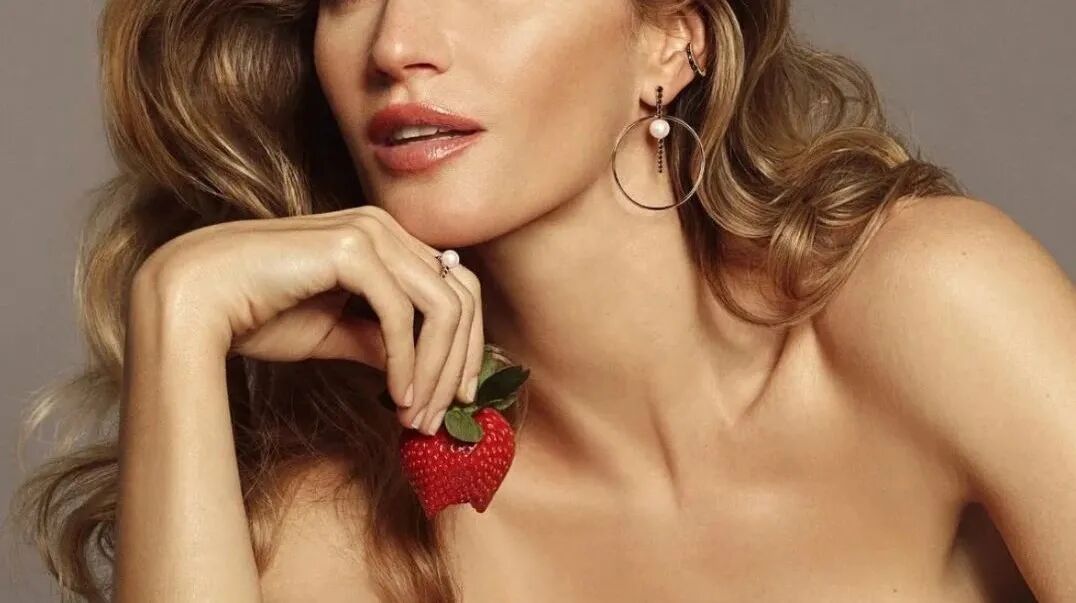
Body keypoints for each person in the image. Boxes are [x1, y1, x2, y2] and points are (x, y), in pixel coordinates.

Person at [10, 0, 1075, 601]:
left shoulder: (928, 304)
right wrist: (178, 312)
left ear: (671, 39)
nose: (393, 45)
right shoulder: (352, 527)